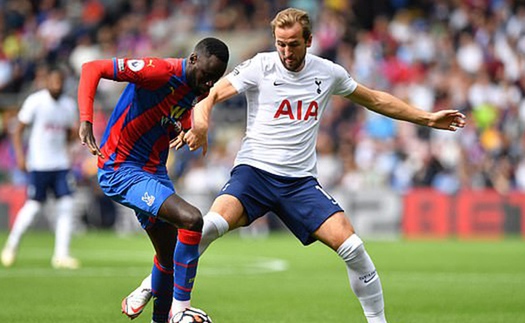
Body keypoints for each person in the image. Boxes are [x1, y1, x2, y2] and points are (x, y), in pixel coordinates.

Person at [123, 8, 466, 323]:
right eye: (281, 44)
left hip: (300, 183)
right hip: (254, 174)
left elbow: (375, 98)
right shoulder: (261, 65)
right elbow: (211, 95)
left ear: (309, 41)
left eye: (293, 45)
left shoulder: (328, 73)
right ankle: (149, 285)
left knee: (353, 248)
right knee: (207, 226)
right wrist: (201, 122)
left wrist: (427, 118)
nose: (286, 52)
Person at [77, 38, 229, 323]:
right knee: (192, 219)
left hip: (154, 171)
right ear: (193, 59)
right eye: (206, 76)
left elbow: (171, 114)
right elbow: (92, 68)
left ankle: (153, 301)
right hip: (121, 168)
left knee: (170, 256)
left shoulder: (196, 89)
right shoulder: (158, 71)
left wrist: (189, 129)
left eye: (215, 79)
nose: (209, 84)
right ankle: (180, 311)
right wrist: (86, 119)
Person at [1, 67, 80, 270]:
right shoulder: (36, 101)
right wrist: (20, 156)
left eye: (60, 82)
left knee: (66, 206)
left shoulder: (68, 105)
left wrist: (74, 134)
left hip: (61, 164)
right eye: (53, 82)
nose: (57, 85)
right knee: (34, 207)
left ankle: (61, 255)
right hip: (39, 164)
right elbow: (17, 130)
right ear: (47, 82)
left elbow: (70, 134)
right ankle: (11, 246)